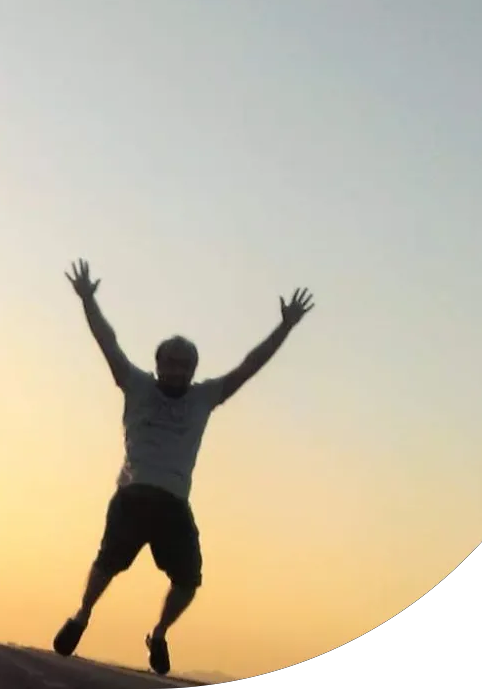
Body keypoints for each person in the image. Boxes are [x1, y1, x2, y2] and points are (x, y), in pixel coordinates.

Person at [54, 259, 314, 676]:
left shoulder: (203, 397)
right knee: (108, 562)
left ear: (193, 369)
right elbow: (108, 341)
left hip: (174, 503)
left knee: (189, 580)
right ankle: (81, 615)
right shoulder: (136, 384)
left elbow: (250, 365)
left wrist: (285, 327)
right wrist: (88, 299)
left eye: (183, 364)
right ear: (158, 364)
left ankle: (158, 634)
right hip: (134, 495)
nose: (176, 369)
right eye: (170, 362)